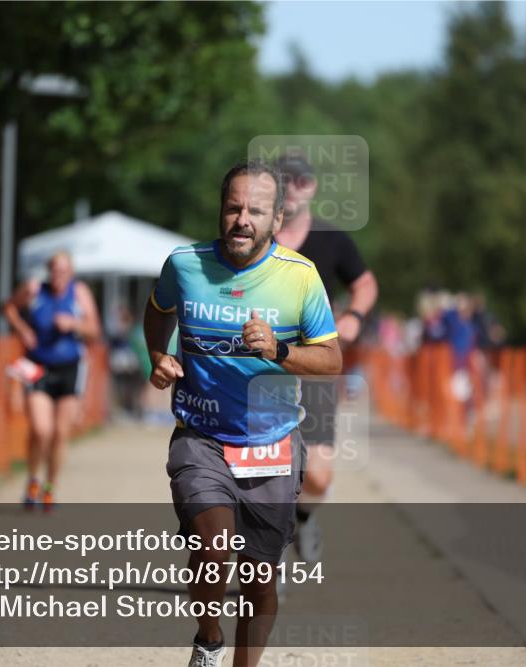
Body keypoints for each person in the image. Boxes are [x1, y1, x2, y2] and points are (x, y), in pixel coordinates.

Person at [144, 158, 341, 667]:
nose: (242, 220)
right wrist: (158, 356)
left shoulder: (300, 278)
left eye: (255, 210)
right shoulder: (184, 264)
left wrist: (277, 351)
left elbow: (331, 360)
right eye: (233, 208)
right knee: (214, 547)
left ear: (277, 220)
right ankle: (209, 638)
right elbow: (158, 308)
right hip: (201, 434)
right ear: (220, 212)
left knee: (258, 582)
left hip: (271, 442)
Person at [273, 154, 378, 563]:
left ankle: (304, 517)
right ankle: (270, 555)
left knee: (317, 476)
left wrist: (353, 317)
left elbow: (365, 284)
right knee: (267, 468)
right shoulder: (259, 236)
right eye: (285, 180)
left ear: (312, 187)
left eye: (300, 180)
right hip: (263, 368)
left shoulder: (332, 238)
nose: (293, 187)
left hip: (316, 366)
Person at [2, 251, 101, 509]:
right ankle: (33, 479)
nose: (58, 276)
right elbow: (9, 307)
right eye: (54, 271)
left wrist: (74, 324)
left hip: (70, 368)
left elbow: (94, 330)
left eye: (63, 271)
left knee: (60, 433)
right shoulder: (35, 290)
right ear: (48, 271)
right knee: (40, 429)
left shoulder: (79, 293)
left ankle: (50, 486)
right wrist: (23, 330)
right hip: (37, 367)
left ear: (71, 273)